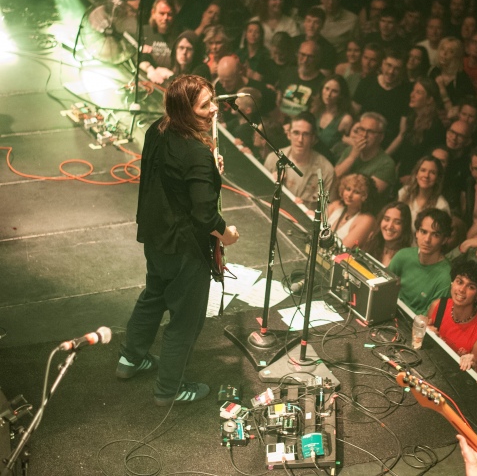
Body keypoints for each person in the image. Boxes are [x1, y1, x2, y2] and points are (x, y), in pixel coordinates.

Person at [116, 75, 240, 406]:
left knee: (155, 294)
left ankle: (130, 358)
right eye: (204, 106)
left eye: (213, 100)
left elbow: (171, 179)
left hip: (156, 236)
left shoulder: (156, 130)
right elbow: (204, 213)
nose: (214, 109)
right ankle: (169, 390)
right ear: (184, 110)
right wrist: (228, 234)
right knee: (185, 320)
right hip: (184, 247)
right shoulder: (196, 152)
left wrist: (210, 168)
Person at [427, 261, 477, 372]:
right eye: (459, 282)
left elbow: (471, 378)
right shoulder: (438, 305)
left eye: (471, 287)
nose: (462, 290)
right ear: (452, 283)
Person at [263, 112, 334, 210]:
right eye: (296, 133)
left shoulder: (326, 170)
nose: (300, 139)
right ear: (288, 135)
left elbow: (326, 209)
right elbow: (261, 194)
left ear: (313, 138)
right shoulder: (273, 159)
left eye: (305, 134)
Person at [388, 208, 452, 315]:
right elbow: (381, 286)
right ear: (417, 233)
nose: (427, 239)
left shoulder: (445, 276)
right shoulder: (403, 255)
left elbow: (430, 316)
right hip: (389, 312)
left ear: (444, 240)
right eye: (423, 232)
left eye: (435, 235)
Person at [333, 112, 397, 195]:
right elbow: (334, 178)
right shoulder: (350, 151)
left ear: (380, 137)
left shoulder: (387, 164)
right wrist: (352, 157)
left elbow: (366, 195)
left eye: (370, 132)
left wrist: (342, 183)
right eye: (361, 129)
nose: (364, 135)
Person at [398, 155, 451, 232]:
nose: (426, 176)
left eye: (432, 173)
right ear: (416, 174)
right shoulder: (404, 192)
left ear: (438, 178)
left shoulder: (441, 206)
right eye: (423, 170)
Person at [325, 173, 376, 249]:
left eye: (356, 192)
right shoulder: (336, 205)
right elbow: (314, 226)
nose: (349, 195)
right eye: (348, 189)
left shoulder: (367, 219)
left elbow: (344, 248)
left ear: (365, 196)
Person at [310, 75, 353, 155]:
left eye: (334, 91)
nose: (328, 94)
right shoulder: (315, 110)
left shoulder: (346, 119)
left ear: (341, 95)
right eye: (326, 89)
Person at [362, 202, 412, 267]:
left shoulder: (406, 257)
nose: (389, 226)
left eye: (397, 222)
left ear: (404, 227)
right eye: (387, 219)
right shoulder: (372, 242)